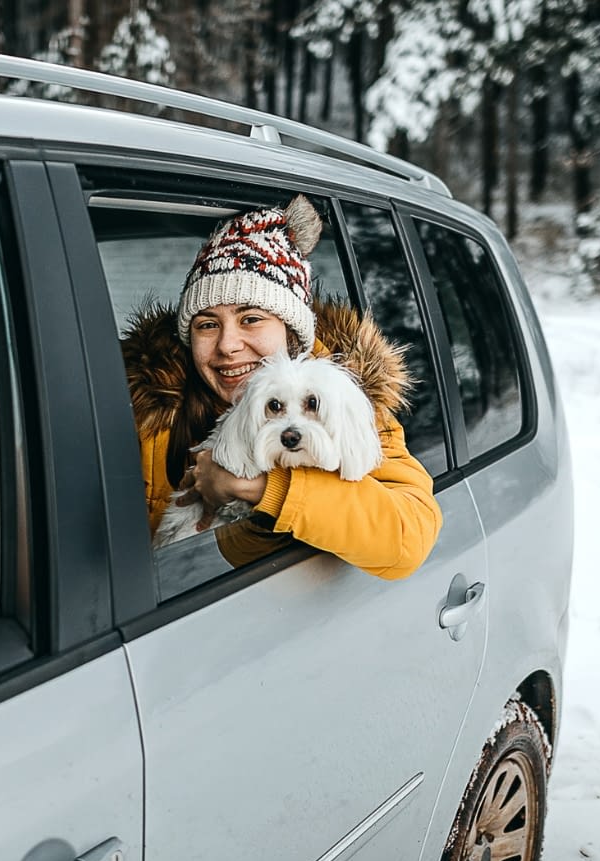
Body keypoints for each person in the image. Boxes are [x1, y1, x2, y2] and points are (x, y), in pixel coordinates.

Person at [122, 196, 442, 578]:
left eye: (251, 318)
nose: (227, 345)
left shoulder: (342, 403)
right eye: (207, 324)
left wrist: (258, 487)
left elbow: (407, 539)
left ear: (291, 331)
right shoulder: (134, 406)